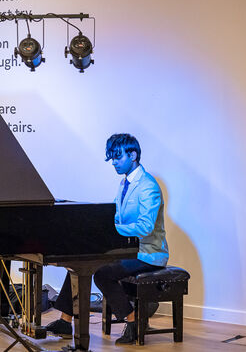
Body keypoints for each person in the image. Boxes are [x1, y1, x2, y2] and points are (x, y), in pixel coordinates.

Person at [48, 133, 169, 344]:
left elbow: (145, 227)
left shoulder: (148, 186)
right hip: (129, 249)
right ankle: (65, 321)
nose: (113, 162)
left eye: (117, 157)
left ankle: (133, 321)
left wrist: (112, 229)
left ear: (133, 155)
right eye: (111, 158)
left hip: (148, 253)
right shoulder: (124, 184)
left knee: (103, 274)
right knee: (81, 262)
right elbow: (115, 216)